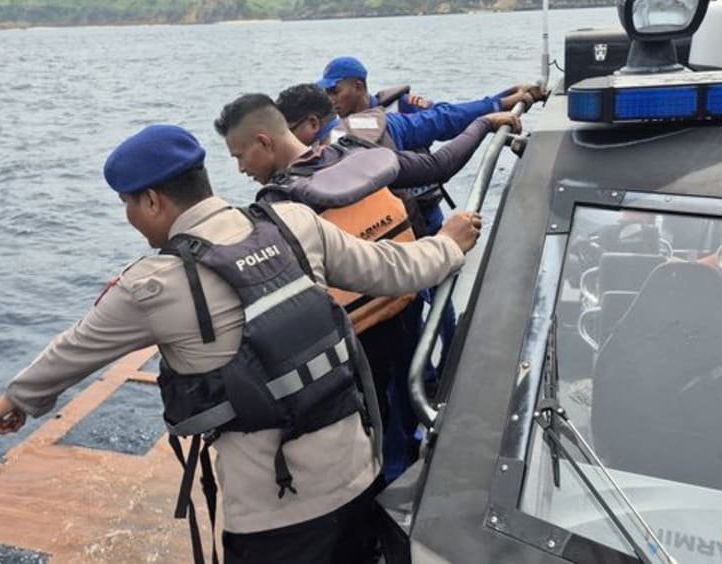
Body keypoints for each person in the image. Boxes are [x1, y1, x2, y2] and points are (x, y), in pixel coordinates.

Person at [0, 124, 483, 563]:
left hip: (276, 516)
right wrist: (448, 243)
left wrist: (18, 398)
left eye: (128, 204)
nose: (129, 216)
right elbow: (394, 267)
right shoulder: (293, 222)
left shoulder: (152, 284)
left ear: (151, 200)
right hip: (359, 475)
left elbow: (75, 348)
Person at [216, 92, 518, 481]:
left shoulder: (279, 207)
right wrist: (483, 124)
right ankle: (414, 463)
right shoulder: (356, 154)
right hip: (407, 306)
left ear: (264, 141)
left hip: (357, 344)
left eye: (240, 156)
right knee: (409, 396)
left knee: (376, 426)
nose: (241, 168)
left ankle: (387, 487)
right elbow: (438, 165)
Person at [315, 55, 543, 150]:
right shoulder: (334, 134)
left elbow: (448, 117)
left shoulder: (401, 107)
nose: (331, 100)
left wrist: (502, 100)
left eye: (335, 91)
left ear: (358, 87)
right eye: (326, 93)